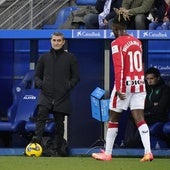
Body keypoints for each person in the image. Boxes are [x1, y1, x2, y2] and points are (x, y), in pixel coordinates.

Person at [92, 10, 153, 162]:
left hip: (124, 85)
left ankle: (107, 153)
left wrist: (119, 88)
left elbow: (119, 68)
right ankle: (148, 152)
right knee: (140, 118)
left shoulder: (116, 43)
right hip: (139, 84)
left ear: (115, 27)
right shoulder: (137, 41)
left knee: (113, 118)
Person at [31, 32, 80, 156]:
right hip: (45, 95)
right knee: (41, 118)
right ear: (51, 41)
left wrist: (67, 87)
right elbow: (36, 76)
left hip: (62, 96)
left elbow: (76, 77)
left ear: (63, 42)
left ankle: (58, 150)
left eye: (59, 40)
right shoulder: (43, 58)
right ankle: (35, 146)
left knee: (59, 124)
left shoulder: (70, 57)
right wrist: (42, 85)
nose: (56, 42)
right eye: (54, 40)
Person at [124, 67, 170, 148]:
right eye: (147, 79)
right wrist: (152, 104)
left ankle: (135, 145)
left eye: (151, 78)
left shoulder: (165, 89)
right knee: (132, 118)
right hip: (146, 115)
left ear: (158, 78)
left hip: (158, 117)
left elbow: (161, 107)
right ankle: (129, 144)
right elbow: (139, 103)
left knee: (141, 120)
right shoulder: (144, 89)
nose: (149, 81)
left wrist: (148, 108)